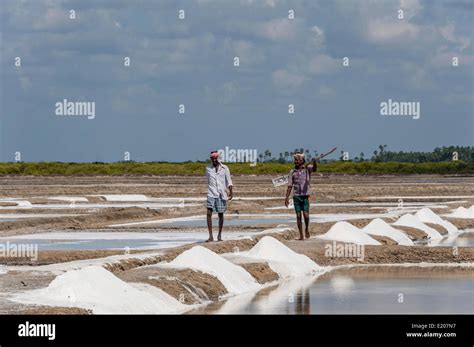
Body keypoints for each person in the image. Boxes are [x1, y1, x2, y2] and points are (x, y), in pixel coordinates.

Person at [284, 152, 317, 241]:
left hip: (305, 196)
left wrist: (314, 162)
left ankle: (306, 228)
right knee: (298, 216)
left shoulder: (307, 169)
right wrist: (286, 198)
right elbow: (290, 185)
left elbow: (314, 169)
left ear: (302, 161)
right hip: (296, 197)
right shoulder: (292, 172)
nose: (295, 161)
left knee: (306, 216)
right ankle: (301, 235)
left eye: (297, 160)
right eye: (295, 160)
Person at [206, 151, 233, 242]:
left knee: (220, 214)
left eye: (215, 158)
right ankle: (210, 236)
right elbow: (209, 181)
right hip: (211, 193)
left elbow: (229, 181)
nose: (214, 160)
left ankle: (219, 235)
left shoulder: (225, 168)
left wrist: (231, 192)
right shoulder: (208, 169)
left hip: (221, 194)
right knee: (209, 213)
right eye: (212, 158)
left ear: (218, 158)